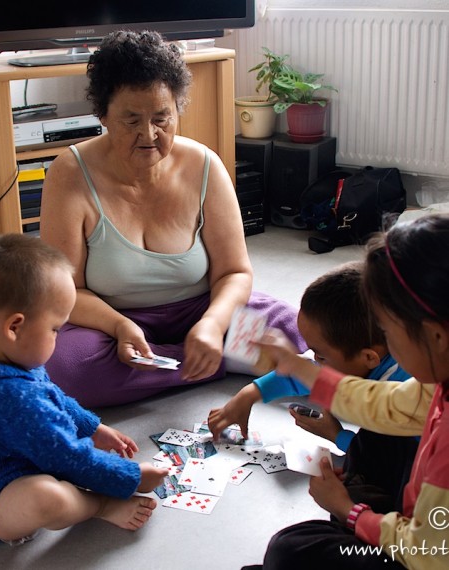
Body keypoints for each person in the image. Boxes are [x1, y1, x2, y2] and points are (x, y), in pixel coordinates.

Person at [40, 30, 306, 407]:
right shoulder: (70, 173)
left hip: (202, 310)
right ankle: (214, 361)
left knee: (296, 333)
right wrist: (120, 326)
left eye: (162, 118)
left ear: (177, 110)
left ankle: (186, 358)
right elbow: (66, 291)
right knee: (62, 369)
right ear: (102, 115)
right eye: (131, 121)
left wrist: (213, 324)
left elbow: (234, 272)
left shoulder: (204, 165)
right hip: (109, 325)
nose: (149, 135)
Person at [0, 234, 167, 545]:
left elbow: (50, 395)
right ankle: (101, 506)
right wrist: (132, 476)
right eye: (55, 328)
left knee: (51, 465)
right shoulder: (11, 399)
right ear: (15, 327)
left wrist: (93, 427)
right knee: (46, 498)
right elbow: (69, 458)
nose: (58, 337)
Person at [244, 214, 449, 570]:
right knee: (379, 433)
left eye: (387, 329)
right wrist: (300, 368)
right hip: (425, 522)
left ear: (436, 336)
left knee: (290, 551)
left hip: (428, 554)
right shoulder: (437, 381)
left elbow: (427, 554)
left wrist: (348, 510)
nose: (385, 342)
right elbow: (382, 404)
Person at [208, 261, 420, 513]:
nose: (313, 359)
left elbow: (397, 463)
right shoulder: (382, 349)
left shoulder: (405, 394)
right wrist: (249, 394)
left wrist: (337, 436)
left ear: (368, 358)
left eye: (320, 354)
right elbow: (307, 371)